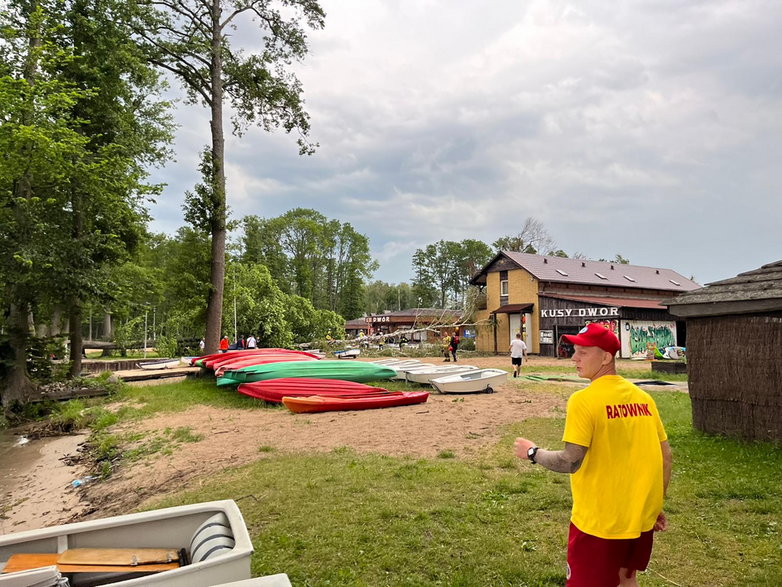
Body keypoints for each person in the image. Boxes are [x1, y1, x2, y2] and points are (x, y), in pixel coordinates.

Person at [513, 323, 672, 587]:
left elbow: (570, 460)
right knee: (626, 580)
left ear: (606, 357)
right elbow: (665, 457)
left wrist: (532, 452)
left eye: (583, 353)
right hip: (639, 518)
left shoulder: (584, 400)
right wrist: (654, 507)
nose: (574, 358)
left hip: (599, 523)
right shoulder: (643, 398)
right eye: (574, 351)